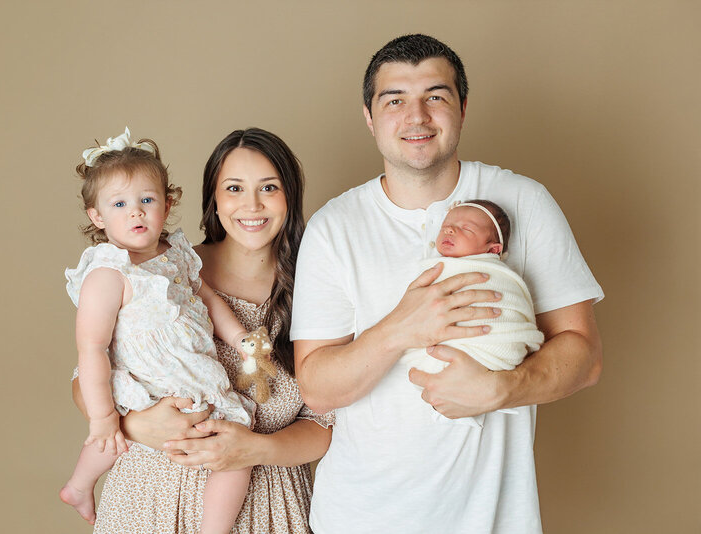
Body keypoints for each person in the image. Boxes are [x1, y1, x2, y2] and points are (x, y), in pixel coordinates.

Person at [291, 34, 603, 533]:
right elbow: (317, 388)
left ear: (462, 108)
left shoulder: (523, 201)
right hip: (360, 516)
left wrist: (501, 388)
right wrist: (400, 328)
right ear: (370, 118)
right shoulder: (334, 227)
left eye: (435, 96)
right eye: (394, 101)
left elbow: (584, 357)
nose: (416, 117)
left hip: (494, 519)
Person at [71, 127, 334, 533]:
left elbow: (324, 424)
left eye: (269, 187)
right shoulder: (159, 274)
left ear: (290, 196)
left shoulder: (320, 288)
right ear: (213, 197)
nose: (252, 204)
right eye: (234, 188)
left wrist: (254, 449)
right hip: (152, 499)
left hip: (276, 508)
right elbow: (88, 375)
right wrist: (135, 424)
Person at [60, 127, 261, 533]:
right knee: (111, 436)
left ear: (167, 205)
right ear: (97, 217)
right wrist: (102, 419)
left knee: (238, 451)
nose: (135, 212)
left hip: (192, 375)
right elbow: (92, 349)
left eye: (146, 200)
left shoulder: (177, 256)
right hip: (144, 375)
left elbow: (207, 299)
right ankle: (81, 484)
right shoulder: (107, 272)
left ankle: (213, 529)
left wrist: (241, 339)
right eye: (119, 204)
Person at [400, 199, 544, 428]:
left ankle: (463, 384)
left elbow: (510, 304)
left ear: (493, 250)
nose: (449, 229)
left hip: (491, 350)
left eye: (466, 228)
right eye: (447, 224)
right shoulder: (434, 270)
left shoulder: (497, 275)